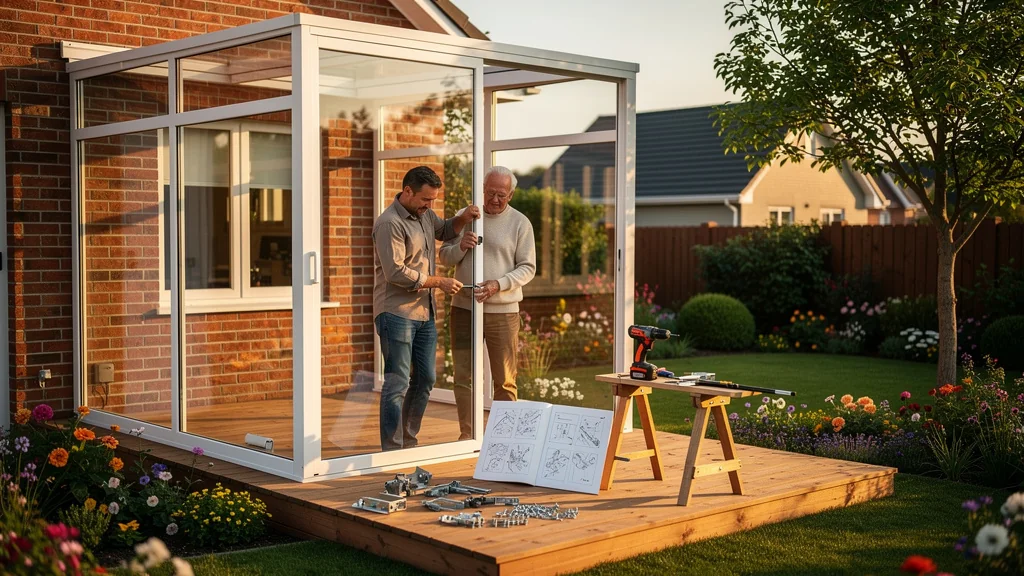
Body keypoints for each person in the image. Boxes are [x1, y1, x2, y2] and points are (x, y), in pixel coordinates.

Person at [373, 166, 480, 451]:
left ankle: (408, 441)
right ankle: (392, 449)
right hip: (396, 313)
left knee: (426, 379)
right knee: (397, 382)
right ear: (407, 191)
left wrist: (464, 218)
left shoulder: (425, 215)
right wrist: (439, 282)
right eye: (426, 199)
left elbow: (444, 230)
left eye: (433, 200)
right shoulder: (389, 223)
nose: (430, 206)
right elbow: (395, 272)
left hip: (424, 312)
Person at [440, 166, 536, 440]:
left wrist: (498, 284)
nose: (495, 199)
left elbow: (528, 268)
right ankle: (468, 435)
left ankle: (504, 439)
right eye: (491, 193)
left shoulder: (520, 223)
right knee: (463, 375)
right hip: (464, 309)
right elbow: (444, 256)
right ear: (482, 190)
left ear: (511, 195)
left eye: (501, 195)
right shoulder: (465, 217)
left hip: (503, 313)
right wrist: (461, 247)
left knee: (504, 379)